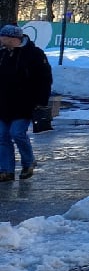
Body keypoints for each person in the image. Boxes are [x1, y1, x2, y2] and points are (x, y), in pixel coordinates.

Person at [0, 26, 51, 182]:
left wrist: (41, 102)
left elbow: (45, 79)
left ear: (13, 38)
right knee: (2, 136)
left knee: (17, 133)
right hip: (3, 104)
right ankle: (6, 171)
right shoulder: (2, 53)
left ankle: (28, 163)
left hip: (24, 104)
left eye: (2, 36)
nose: (0, 39)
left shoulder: (34, 54)